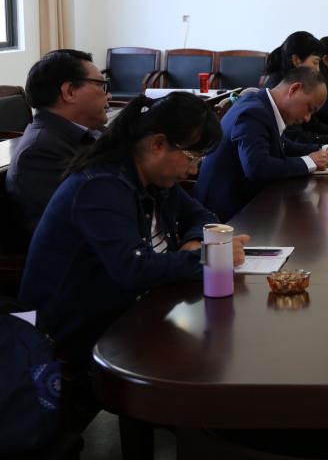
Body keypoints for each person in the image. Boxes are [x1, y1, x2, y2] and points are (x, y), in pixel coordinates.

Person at [18, 92, 248, 366]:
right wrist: (210, 257)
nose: (193, 170)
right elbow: (133, 268)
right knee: (205, 359)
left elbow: (202, 215)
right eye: (192, 157)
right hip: (70, 336)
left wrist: (195, 241)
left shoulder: (156, 179)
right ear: (158, 144)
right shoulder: (100, 187)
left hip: (135, 311)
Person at [195, 66, 328, 222]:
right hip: (224, 216)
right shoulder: (253, 113)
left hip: (244, 204)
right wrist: (309, 162)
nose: (307, 118)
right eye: (309, 109)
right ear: (294, 89)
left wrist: (322, 150)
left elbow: (282, 145)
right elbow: (257, 167)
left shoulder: (262, 102)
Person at [7, 49, 110, 234]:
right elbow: (95, 216)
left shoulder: (91, 131)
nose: (108, 95)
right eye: (100, 85)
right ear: (69, 92)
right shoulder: (39, 153)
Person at [264, 31, 328, 148]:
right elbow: (294, 139)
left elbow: (312, 125)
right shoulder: (280, 88)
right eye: (315, 62)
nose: (318, 69)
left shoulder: (298, 83)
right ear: (296, 60)